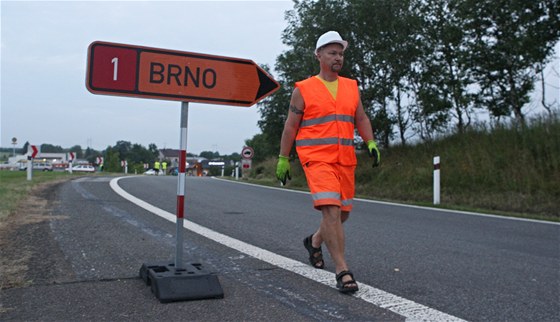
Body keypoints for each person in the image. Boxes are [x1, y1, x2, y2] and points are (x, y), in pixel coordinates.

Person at [276, 31, 380, 293]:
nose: (338, 58)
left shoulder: (350, 87)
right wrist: (283, 157)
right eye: (332, 53)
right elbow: (291, 127)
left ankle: (314, 241)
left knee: (342, 215)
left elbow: (362, 118)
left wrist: (370, 141)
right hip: (317, 160)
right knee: (331, 211)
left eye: (341, 54)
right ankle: (343, 270)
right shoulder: (304, 89)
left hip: (344, 160)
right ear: (318, 55)